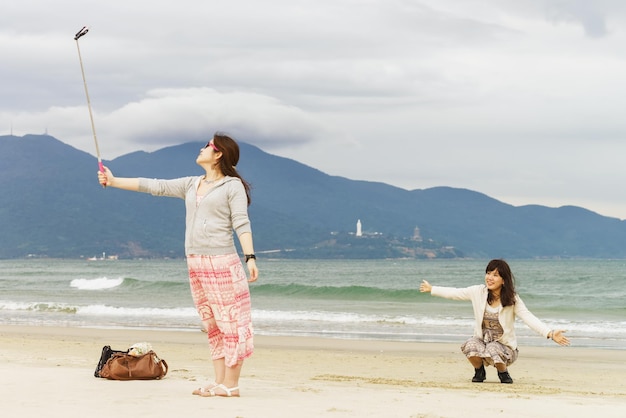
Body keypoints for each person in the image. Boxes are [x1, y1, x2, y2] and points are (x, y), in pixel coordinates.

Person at [97, 132, 259, 397]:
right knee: (212, 324)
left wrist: (250, 257)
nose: (202, 148)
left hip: (222, 262)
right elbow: (154, 186)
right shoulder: (191, 184)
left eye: (208, 146)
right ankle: (220, 382)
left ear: (219, 154)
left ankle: (232, 385)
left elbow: (241, 222)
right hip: (195, 262)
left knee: (231, 324)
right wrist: (113, 181)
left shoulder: (232, 186)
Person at [419, 259, 569, 384]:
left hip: (506, 350)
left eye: (495, 275)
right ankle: (479, 371)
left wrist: (550, 333)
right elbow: (455, 293)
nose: (490, 277)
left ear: (504, 280)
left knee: (493, 347)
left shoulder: (512, 299)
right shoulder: (478, 292)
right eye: (488, 273)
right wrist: (433, 289)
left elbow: (528, 317)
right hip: (483, 344)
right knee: (470, 344)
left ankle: (503, 372)